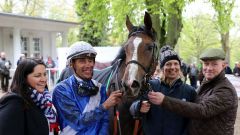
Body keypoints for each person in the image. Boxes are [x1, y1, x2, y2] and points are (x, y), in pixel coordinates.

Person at [147, 48, 238, 135]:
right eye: (206, 64)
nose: (209, 68)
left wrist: (164, 100)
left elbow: (202, 110)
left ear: (223, 65)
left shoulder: (225, 90)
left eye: (214, 64)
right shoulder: (207, 83)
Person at [52, 41, 122, 135]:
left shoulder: (100, 88)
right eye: (82, 61)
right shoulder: (61, 90)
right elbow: (77, 122)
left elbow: (104, 122)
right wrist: (104, 106)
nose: (88, 65)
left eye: (90, 60)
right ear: (72, 64)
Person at [130, 45, 196, 135]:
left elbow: (193, 119)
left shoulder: (189, 91)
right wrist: (138, 106)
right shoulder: (150, 86)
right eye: (168, 64)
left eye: (176, 63)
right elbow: (132, 107)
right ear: (162, 68)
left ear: (180, 67)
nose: (172, 67)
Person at [0, 58, 59, 135]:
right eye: (38, 76)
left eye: (45, 74)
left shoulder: (45, 100)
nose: (44, 79)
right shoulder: (14, 102)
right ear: (24, 78)